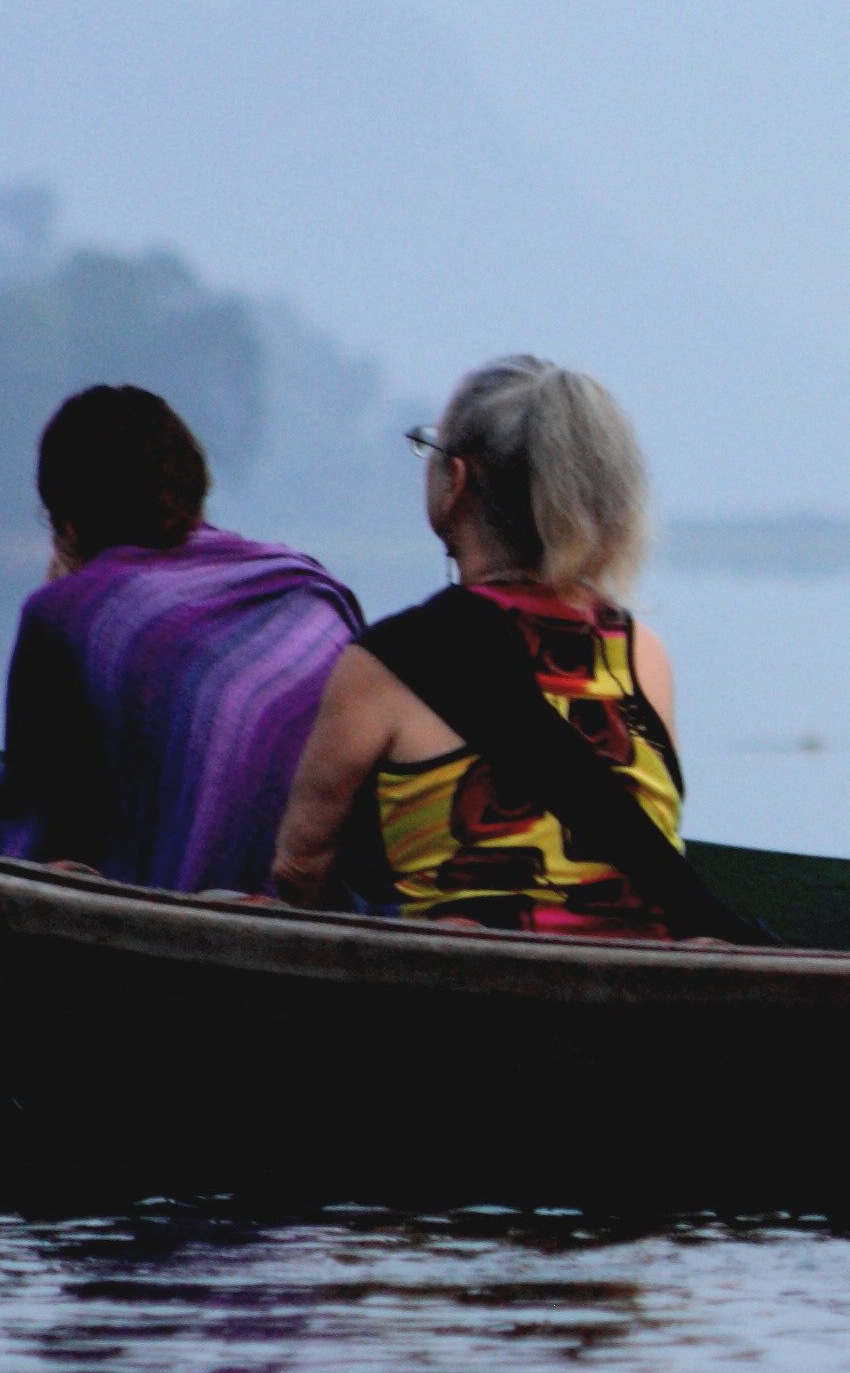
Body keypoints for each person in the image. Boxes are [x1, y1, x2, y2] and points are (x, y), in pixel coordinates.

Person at [271, 355, 731, 937]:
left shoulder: (383, 665)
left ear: (456, 482)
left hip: (474, 997)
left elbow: (299, 869)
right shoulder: (642, 655)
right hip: (646, 992)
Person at [0, 384, 363, 894]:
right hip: (338, 897)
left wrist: (67, 593)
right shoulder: (299, 581)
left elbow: (31, 807)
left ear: (67, 524)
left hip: (205, 901)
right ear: (192, 492)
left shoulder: (67, 612)